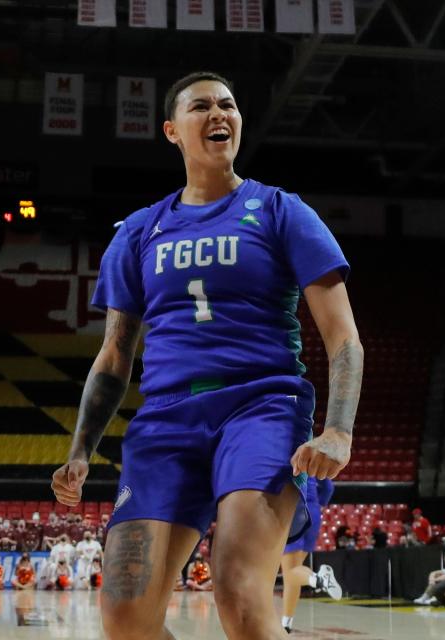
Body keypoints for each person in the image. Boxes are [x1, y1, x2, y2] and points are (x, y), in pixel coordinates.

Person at [51, 70, 362, 640]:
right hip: (165, 419)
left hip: (260, 407)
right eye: (202, 106)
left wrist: (337, 430)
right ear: (172, 129)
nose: (219, 114)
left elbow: (343, 339)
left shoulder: (279, 210)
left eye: (228, 105)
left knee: (239, 592)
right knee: (125, 615)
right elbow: (115, 356)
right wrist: (80, 450)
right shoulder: (140, 231)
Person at [279, 477, 341, 633]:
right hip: (313, 512)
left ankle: (319, 580)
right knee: (294, 573)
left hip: (294, 509)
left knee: (291, 571)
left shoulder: (286, 456)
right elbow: (328, 487)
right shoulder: (312, 455)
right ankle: (286, 623)